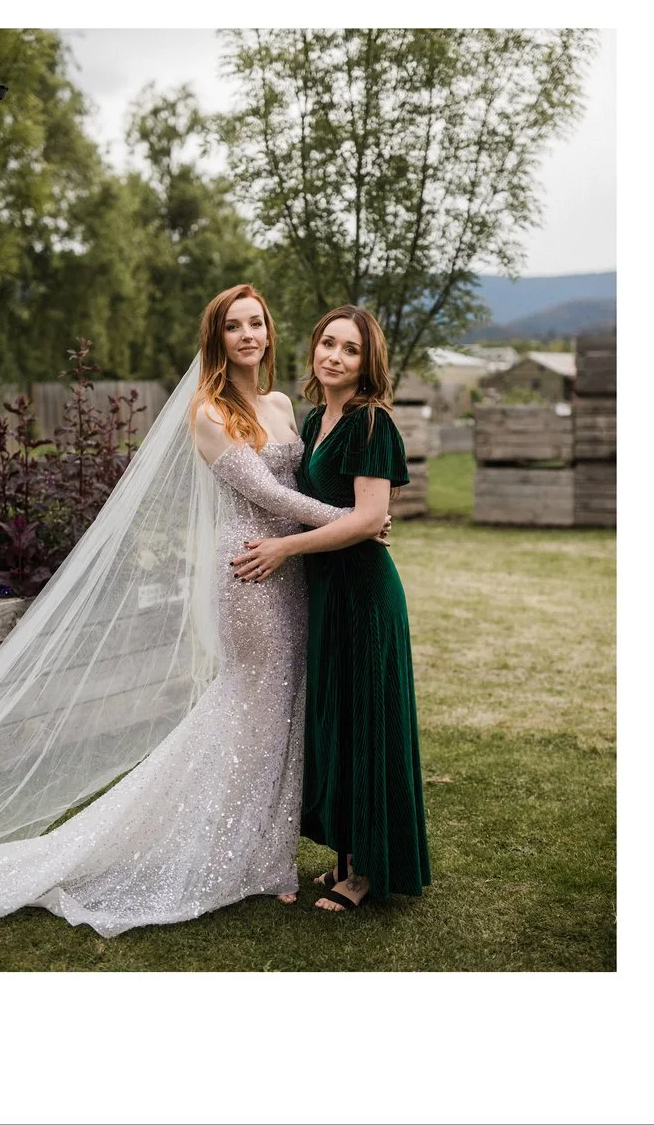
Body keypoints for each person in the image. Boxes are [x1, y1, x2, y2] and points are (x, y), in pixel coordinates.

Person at [0, 285, 375, 936]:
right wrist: (351, 520)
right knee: (252, 714)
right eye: (234, 326)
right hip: (250, 571)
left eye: (257, 323)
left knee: (284, 712)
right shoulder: (209, 412)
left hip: (292, 569)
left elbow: (299, 483)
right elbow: (268, 494)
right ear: (217, 339)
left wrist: (340, 524)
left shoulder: (279, 405)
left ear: (269, 332)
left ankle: (269, 855)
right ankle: (235, 857)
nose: (248, 335)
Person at [231, 304, 429, 912]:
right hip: (324, 592)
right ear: (313, 348)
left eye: (350, 349)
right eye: (327, 343)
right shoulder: (317, 418)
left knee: (366, 722)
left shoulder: (371, 424)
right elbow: (310, 501)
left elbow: (368, 520)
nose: (334, 356)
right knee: (336, 720)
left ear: (368, 363)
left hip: (364, 594)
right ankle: (345, 854)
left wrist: (286, 547)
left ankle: (367, 870)